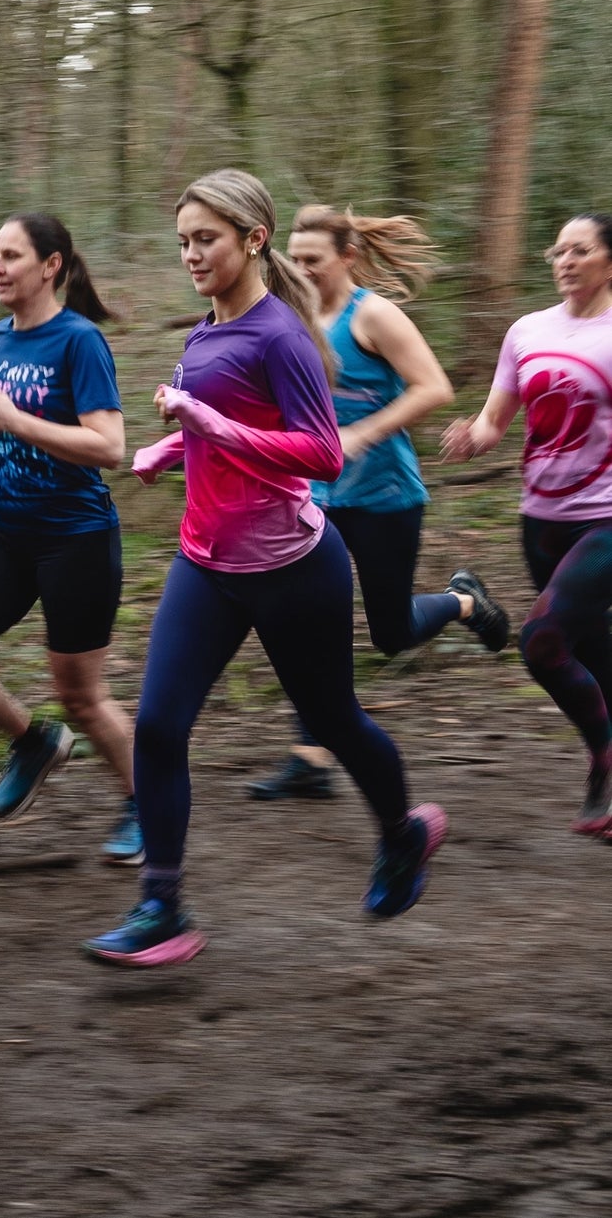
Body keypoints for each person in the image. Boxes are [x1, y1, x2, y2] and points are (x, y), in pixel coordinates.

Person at [84, 169, 446, 968]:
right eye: (183, 241)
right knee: (158, 725)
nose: (191, 254)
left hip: (293, 567)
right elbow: (225, 424)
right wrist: (172, 445)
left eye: (206, 239)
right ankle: (161, 905)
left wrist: (205, 420)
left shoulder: (281, 335)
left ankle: (401, 831)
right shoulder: (206, 331)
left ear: (254, 239)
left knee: (336, 719)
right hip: (207, 562)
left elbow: (320, 452)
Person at [245, 206, 511, 801]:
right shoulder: (287, 316)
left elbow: (434, 387)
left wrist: (364, 432)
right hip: (315, 498)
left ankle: (464, 602)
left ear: (348, 256)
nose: (301, 271)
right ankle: (311, 761)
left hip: (385, 499)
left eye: (314, 260)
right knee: (305, 621)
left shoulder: (373, 315)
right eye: (294, 259)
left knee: (391, 633)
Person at [0, 213, 140, 863]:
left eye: (10, 255)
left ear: (51, 266)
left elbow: (109, 447)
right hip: (7, 534)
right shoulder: (1, 336)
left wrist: (11, 419)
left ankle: (147, 802)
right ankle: (32, 741)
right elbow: (11, 421)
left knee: (82, 698)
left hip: (76, 541)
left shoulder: (80, 342)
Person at [442, 212, 612, 837]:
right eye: (558, 251)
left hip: (606, 520)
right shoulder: (527, 330)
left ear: (609, 262)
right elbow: (496, 420)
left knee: (541, 641)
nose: (565, 260)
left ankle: (604, 757)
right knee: (589, 650)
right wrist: (472, 436)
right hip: (541, 521)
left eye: (580, 250)